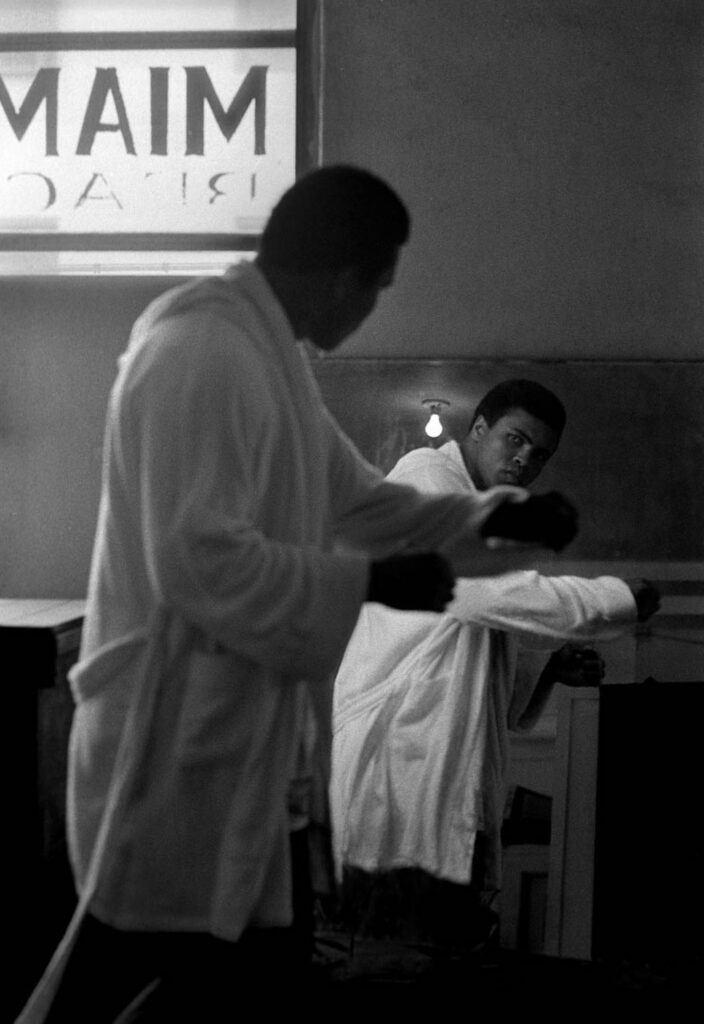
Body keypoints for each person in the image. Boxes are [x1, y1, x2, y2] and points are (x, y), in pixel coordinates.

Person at [17, 172, 574, 1023]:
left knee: (214, 973)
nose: (371, 311)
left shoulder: (268, 363)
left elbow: (362, 504)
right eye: (379, 288)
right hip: (171, 745)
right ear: (343, 274)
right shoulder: (199, 352)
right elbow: (197, 563)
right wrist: (374, 581)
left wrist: (506, 523)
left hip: (239, 751)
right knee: (135, 967)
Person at [330, 379, 660, 955]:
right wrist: (617, 598)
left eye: (541, 453)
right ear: (477, 429)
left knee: (435, 965)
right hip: (401, 784)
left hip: (450, 794)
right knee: (391, 971)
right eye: (516, 439)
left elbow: (492, 699)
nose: (525, 459)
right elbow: (479, 590)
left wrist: (549, 669)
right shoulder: (425, 480)